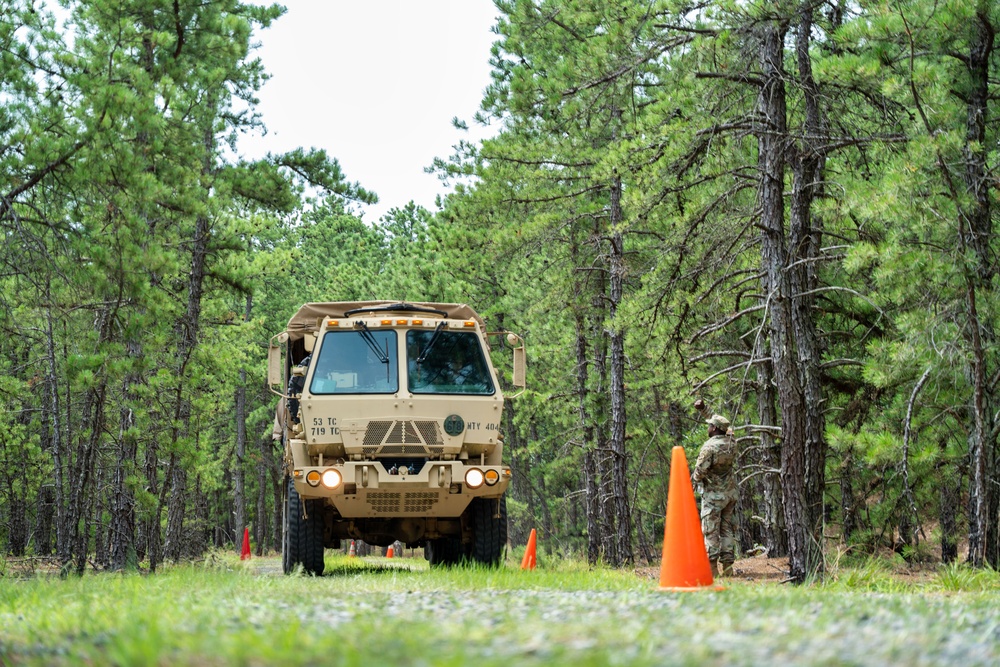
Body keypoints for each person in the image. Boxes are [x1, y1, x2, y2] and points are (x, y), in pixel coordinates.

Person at [691, 414, 738, 577]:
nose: (708, 427)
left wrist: (693, 481)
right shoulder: (732, 443)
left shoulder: (709, 447)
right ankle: (728, 567)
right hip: (730, 494)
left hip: (713, 497)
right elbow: (729, 431)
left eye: (710, 425)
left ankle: (712, 569)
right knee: (726, 529)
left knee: (711, 531)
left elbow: (700, 471)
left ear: (715, 428)